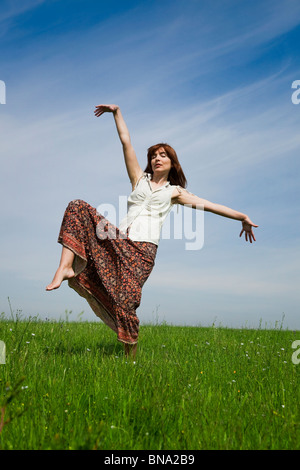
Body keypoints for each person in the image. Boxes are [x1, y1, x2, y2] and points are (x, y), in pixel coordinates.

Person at [46, 104, 258, 358]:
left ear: (172, 163)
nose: (157, 158)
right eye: (154, 155)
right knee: (77, 207)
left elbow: (210, 206)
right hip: (119, 240)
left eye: (163, 155)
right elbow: (126, 143)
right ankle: (66, 267)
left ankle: (130, 357)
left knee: (125, 302)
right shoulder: (138, 179)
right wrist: (117, 113)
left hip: (143, 251)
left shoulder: (175, 192)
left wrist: (242, 217)